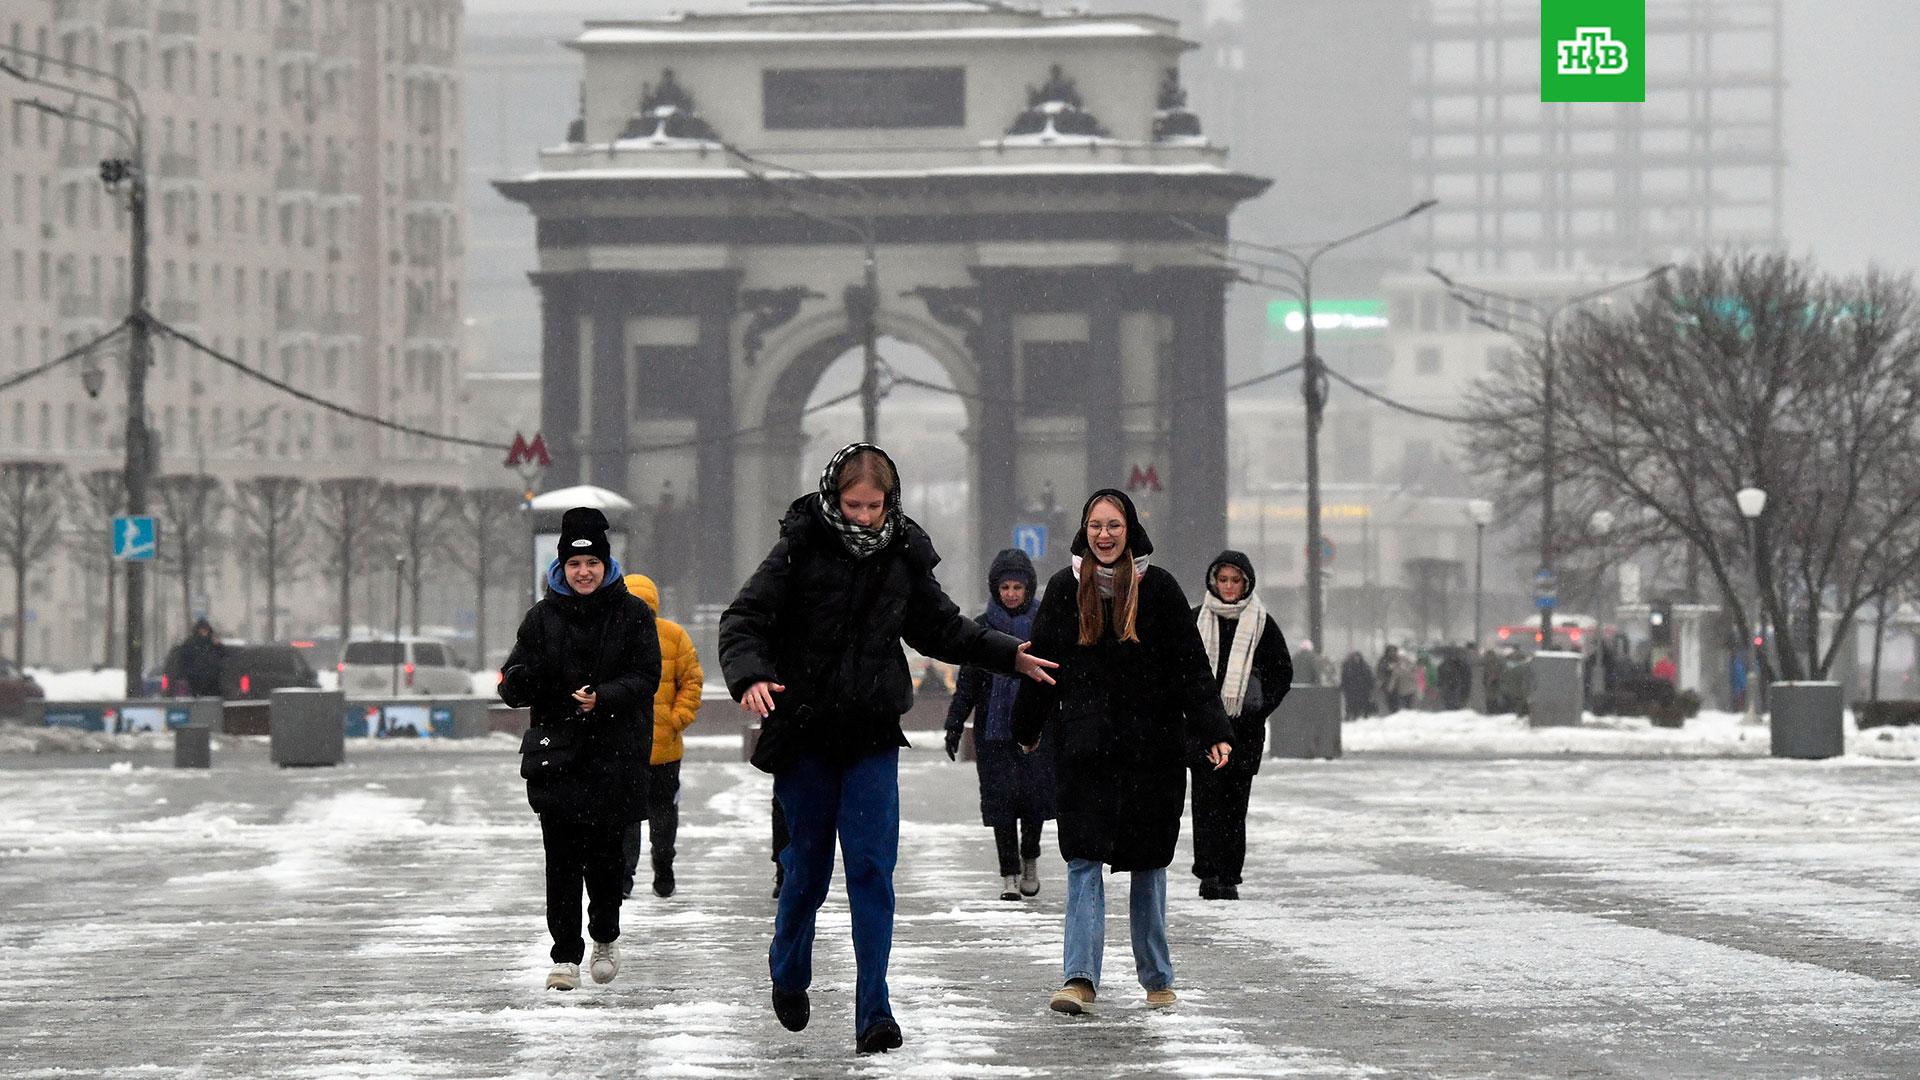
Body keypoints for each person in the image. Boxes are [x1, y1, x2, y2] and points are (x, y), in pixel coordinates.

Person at [720, 442, 1058, 1055]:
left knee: (873, 870)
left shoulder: (903, 553)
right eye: (853, 505)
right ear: (833, 497)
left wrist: (1009, 654)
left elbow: (943, 629)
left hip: (873, 731)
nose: (864, 516)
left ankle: (874, 1010)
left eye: (875, 505)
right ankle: (789, 967)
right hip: (806, 732)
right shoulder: (798, 547)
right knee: (807, 870)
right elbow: (743, 619)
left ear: (890, 501)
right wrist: (748, 676)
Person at [1011, 489, 1233, 1016]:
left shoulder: (1159, 588)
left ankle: (1157, 977)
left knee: (1149, 863)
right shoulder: (1066, 589)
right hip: (1085, 752)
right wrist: (1028, 726)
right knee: (1083, 860)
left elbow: (1190, 669)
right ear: (1083, 531)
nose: (1104, 535)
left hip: (1151, 752)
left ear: (1129, 530)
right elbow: (1043, 665)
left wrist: (1213, 729)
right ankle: (1079, 978)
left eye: (1113, 525)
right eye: (1095, 526)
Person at [499, 507, 661, 993]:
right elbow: (512, 681)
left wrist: (603, 697)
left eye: (591, 562)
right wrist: (532, 680)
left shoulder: (633, 614)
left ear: (606, 564)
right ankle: (565, 956)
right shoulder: (541, 618)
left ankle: (606, 937)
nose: (583, 572)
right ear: (561, 567)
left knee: (607, 859)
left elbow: (646, 677)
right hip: (558, 759)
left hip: (614, 756)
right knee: (562, 860)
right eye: (574, 564)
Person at [944, 548, 1056, 902]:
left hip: (1035, 729)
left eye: (1017, 587)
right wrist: (954, 723)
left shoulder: (1044, 624)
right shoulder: (981, 628)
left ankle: (1030, 860)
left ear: (1028, 589)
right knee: (1001, 803)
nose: (1010, 593)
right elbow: (968, 682)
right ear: (995, 588)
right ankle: (1008, 872)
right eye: (1005, 586)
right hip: (993, 732)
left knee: (1034, 800)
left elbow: (1057, 677)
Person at [1189, 550, 1291, 901]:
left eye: (1235, 580)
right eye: (1223, 579)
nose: (1229, 586)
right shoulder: (1195, 619)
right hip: (1203, 730)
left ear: (1246, 583)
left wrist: (1259, 707)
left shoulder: (1262, 624)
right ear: (1213, 581)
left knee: (1234, 804)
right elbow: (1177, 671)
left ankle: (1229, 874)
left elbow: (1283, 672)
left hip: (1243, 733)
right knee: (1204, 804)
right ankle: (1208, 873)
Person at [620, 573, 703, 900]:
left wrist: (674, 718)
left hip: (636, 747)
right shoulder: (673, 635)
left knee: (628, 817)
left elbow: (691, 682)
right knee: (662, 813)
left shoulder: (622, 637)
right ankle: (661, 866)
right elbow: (693, 682)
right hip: (656, 748)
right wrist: (677, 719)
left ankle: (627, 875)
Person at [163, 618, 227, 697]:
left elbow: (224, 656)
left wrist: (219, 646)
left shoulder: (213, 645)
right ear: (197, 630)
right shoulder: (190, 644)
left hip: (212, 684)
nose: (204, 632)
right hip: (194, 683)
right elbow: (182, 662)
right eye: (202, 629)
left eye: (205, 629)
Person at [1340, 650, 1376, 719]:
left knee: (1363, 703)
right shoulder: (1348, 667)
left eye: (1358, 657)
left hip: (1362, 689)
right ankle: (1352, 715)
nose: (1356, 659)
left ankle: (1362, 715)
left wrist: (1370, 685)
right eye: (1355, 657)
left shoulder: (1364, 666)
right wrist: (1343, 686)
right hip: (1351, 689)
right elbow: (1344, 678)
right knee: (1351, 703)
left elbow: (1369, 677)